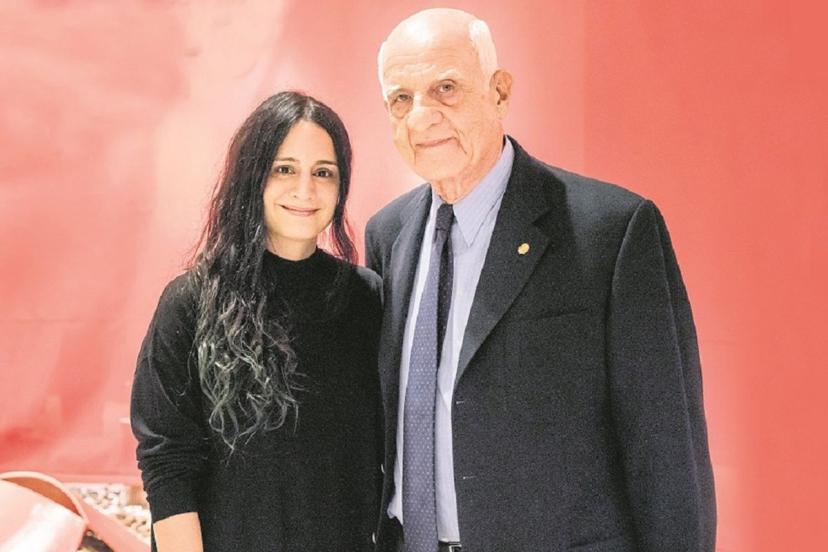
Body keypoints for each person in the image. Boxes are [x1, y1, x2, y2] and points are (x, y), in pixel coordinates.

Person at [365, 8, 716, 552]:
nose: (422, 117)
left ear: (499, 92)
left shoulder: (611, 231)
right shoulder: (387, 234)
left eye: (446, 89)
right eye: (401, 99)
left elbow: (667, 452)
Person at [131, 91, 382, 552]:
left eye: (323, 172)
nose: (305, 190)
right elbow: (167, 464)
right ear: (252, 176)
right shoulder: (191, 302)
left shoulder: (367, 300)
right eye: (284, 169)